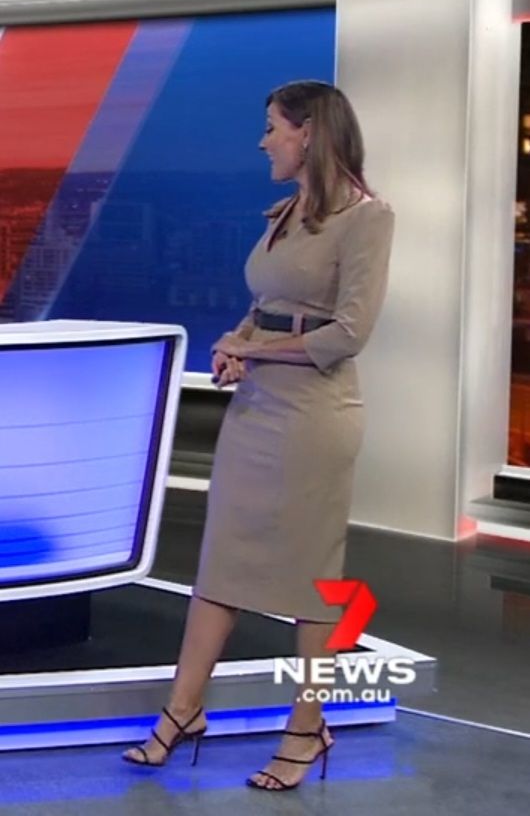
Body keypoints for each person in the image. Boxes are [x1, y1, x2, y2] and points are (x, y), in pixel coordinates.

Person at [123, 79, 395, 790]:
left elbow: (348, 333)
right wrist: (234, 341)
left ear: (309, 133)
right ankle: (183, 711)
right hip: (255, 409)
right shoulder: (288, 211)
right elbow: (269, 306)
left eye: (273, 127)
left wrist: (257, 349)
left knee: (312, 577)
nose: (263, 140)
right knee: (221, 562)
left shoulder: (367, 217)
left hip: (313, 417)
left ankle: (308, 726)